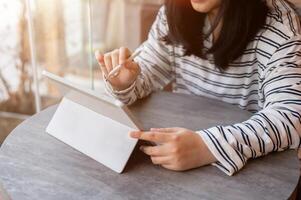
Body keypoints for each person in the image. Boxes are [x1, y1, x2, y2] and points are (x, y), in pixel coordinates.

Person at [95, 0, 301, 176]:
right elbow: (146, 73)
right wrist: (124, 83)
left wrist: (206, 146)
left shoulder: (281, 28)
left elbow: (290, 117)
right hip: (178, 156)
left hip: (251, 170)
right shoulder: (174, 12)